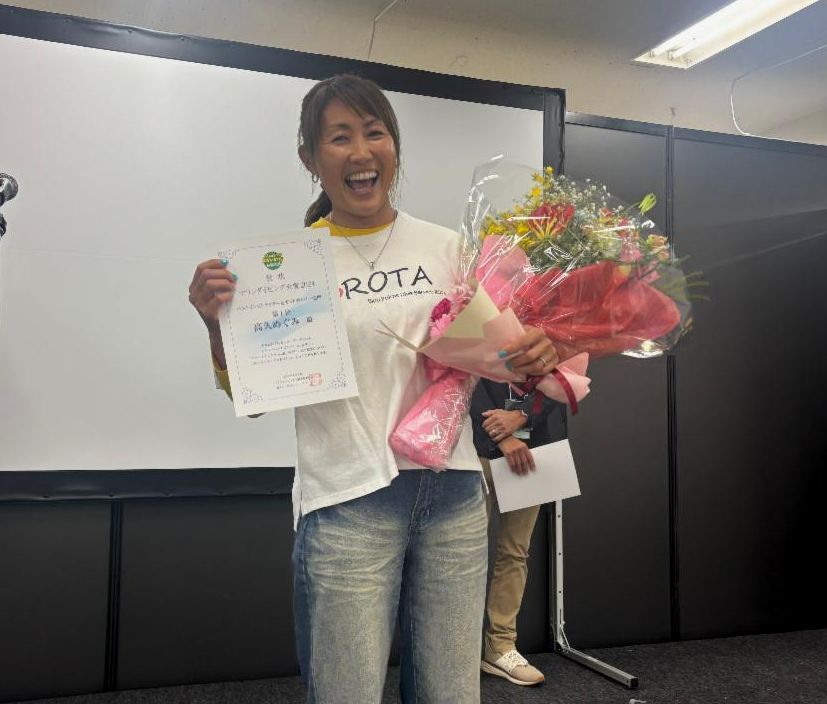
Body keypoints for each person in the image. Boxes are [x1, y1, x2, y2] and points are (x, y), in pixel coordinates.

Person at [188, 74, 559, 704]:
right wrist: (216, 328)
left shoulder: (451, 248)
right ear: (310, 159)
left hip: (455, 496)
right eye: (339, 138)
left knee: (450, 694)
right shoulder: (284, 268)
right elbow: (252, 398)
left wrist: (536, 353)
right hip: (346, 501)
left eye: (374, 132)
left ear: (394, 147)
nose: (360, 152)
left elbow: (501, 357)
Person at [471, 379, 566, 686]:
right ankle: (456, 649)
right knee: (461, 557)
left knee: (515, 552)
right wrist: (502, 435)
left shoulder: (554, 331)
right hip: (473, 446)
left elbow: (563, 377)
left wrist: (523, 414)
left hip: (533, 445)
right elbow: (459, 374)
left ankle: (500, 645)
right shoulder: (470, 328)